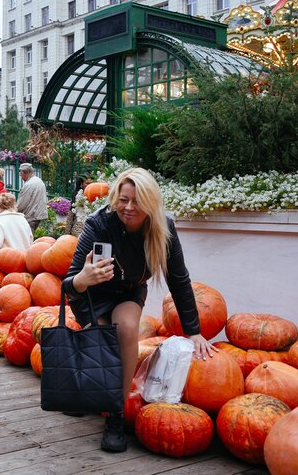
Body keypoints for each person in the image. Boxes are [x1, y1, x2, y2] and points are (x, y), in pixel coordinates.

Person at [61, 167, 216, 453]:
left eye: (136, 201)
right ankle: (87, 391)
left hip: (129, 290)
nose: (129, 207)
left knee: (126, 329)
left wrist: (194, 331)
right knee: (100, 338)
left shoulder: (163, 228)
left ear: (151, 203)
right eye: (123, 200)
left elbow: (179, 280)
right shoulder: (99, 224)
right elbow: (68, 284)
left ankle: (115, 415)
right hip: (93, 294)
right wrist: (83, 279)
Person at [17, 162, 48, 234]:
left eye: (20, 174)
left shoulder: (29, 185)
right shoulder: (39, 181)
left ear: (23, 172)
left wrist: (13, 211)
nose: (20, 176)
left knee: (26, 240)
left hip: (30, 216)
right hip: (37, 215)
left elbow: (22, 204)